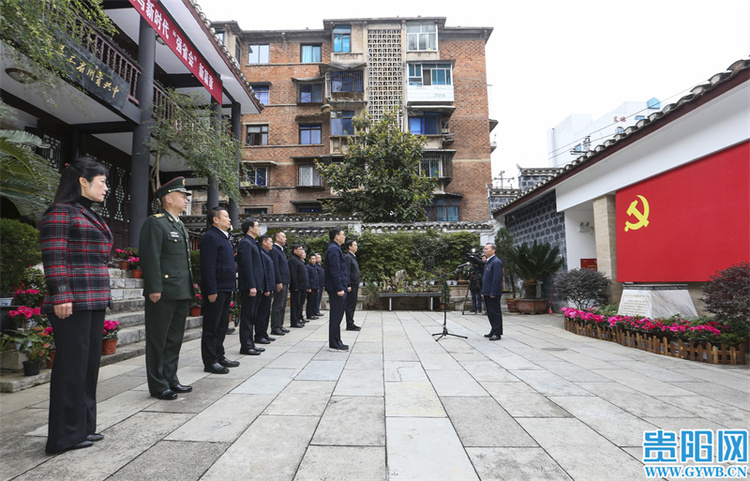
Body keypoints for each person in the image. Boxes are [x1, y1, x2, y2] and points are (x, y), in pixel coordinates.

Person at [41, 158, 112, 454]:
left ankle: (83, 427)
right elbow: (54, 257)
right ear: (83, 181)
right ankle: (63, 436)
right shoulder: (60, 212)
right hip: (72, 301)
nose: (106, 188)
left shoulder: (86, 213)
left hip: (93, 299)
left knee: (88, 367)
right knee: (71, 369)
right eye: (102, 182)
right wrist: (60, 295)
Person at [139, 176, 195, 401]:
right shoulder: (156, 222)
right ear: (169, 198)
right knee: (158, 339)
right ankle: (158, 384)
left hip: (180, 290)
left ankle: (171, 378)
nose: (185, 200)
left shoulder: (179, 224)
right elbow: (151, 257)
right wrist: (154, 287)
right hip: (162, 291)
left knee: (174, 339)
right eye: (182, 196)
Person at [200, 207, 240, 374]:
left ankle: (219, 355)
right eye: (226, 216)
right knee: (212, 326)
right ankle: (210, 361)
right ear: (215, 219)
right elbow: (208, 266)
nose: (229, 219)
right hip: (216, 289)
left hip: (226, 287)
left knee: (222, 325)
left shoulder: (224, 237)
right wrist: (211, 289)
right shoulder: (210, 237)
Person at [236, 218, 264, 355]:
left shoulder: (253, 243)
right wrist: (252, 285)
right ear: (250, 228)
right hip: (250, 287)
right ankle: (246, 346)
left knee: (252, 316)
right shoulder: (245, 243)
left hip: (257, 285)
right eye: (257, 226)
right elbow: (246, 267)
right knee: (247, 317)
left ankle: (250, 343)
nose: (259, 228)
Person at [325, 227, 349, 351]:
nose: (344, 237)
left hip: (339, 287)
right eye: (342, 234)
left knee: (338, 316)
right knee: (336, 316)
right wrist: (339, 288)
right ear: (336, 236)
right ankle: (334, 343)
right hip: (336, 289)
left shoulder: (336, 248)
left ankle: (337, 341)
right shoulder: (333, 249)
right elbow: (335, 270)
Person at [481, 243, 504, 341]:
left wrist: (493, 292)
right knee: (490, 312)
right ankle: (493, 329)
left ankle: (497, 333)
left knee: (495, 312)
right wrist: (483, 291)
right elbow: (485, 278)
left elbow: (497, 278)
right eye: (484, 249)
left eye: (487, 249)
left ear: (493, 250)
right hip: (487, 291)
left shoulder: (496, 262)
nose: (484, 251)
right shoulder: (488, 262)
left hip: (493, 292)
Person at [269, 231, 291, 333]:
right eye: (283, 237)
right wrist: (278, 281)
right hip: (280, 281)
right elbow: (276, 267)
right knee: (278, 305)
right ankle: (275, 327)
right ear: (277, 238)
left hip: (285, 281)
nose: (285, 239)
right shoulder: (274, 250)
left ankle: (280, 325)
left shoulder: (281, 250)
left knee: (283, 305)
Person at [257, 234, 276, 340]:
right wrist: (266, 288)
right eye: (270, 241)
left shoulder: (266, 254)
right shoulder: (262, 254)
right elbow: (264, 273)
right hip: (265, 288)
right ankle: (260, 335)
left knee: (266, 313)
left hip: (269, 287)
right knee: (262, 313)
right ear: (263, 242)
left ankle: (264, 333)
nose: (272, 244)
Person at [288, 244, 308, 328]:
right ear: (294, 250)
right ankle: (294, 321)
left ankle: (298, 319)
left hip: (302, 286)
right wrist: (295, 286)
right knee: (295, 304)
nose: (301, 251)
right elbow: (293, 274)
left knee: (300, 304)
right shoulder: (293, 260)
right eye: (299, 249)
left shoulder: (299, 260)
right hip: (297, 286)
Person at [343, 240, 361, 331]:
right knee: (350, 305)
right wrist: (348, 284)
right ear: (350, 247)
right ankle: (349, 324)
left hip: (355, 284)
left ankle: (351, 322)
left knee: (353, 304)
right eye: (355, 245)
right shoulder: (348, 257)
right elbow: (347, 272)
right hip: (351, 285)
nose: (356, 247)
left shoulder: (353, 257)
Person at [305, 255, 319, 321]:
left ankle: (313, 313)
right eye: (312, 259)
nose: (314, 260)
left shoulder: (314, 267)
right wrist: (308, 287)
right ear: (309, 260)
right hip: (311, 286)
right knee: (310, 301)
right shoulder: (308, 267)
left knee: (314, 301)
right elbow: (307, 278)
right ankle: (309, 314)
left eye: (315, 259)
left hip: (315, 286)